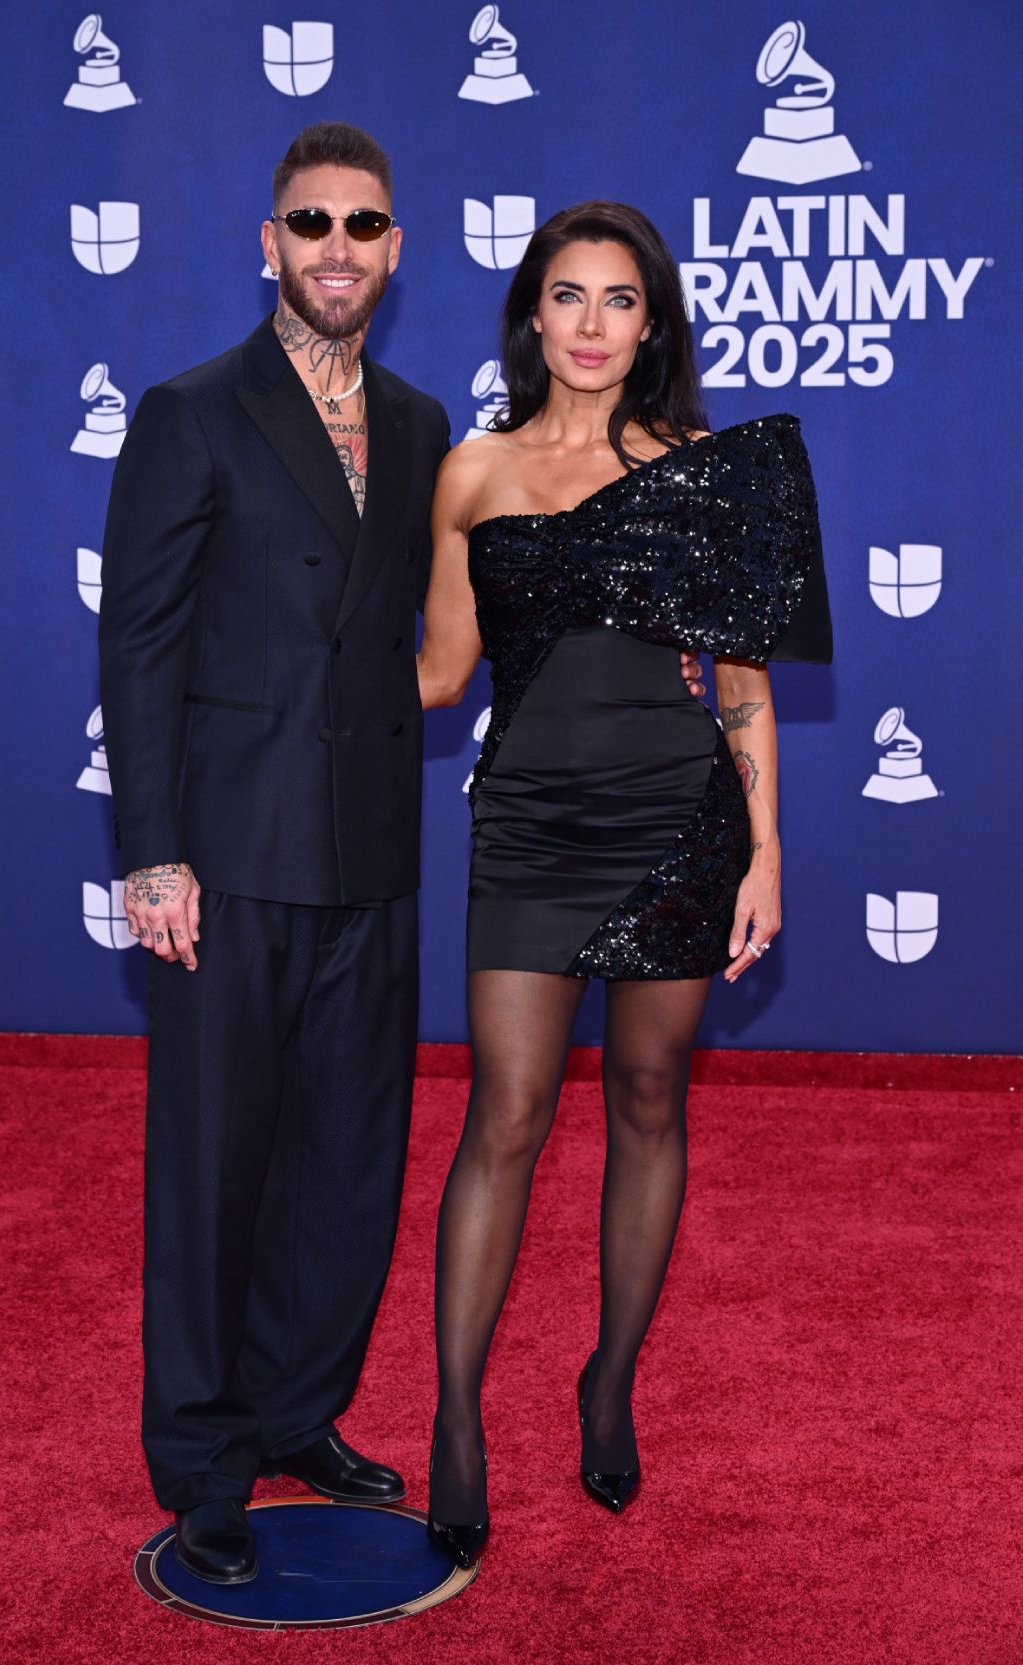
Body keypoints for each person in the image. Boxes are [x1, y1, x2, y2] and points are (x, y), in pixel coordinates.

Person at [415, 201, 832, 1564]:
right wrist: (270, 659)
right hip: (530, 823)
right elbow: (436, 672)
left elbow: (747, 689)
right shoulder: (470, 473)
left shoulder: (705, 467)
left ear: (652, 326)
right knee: (508, 1113)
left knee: (650, 1099)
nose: (592, 324)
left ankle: (608, 1378)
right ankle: (459, 1423)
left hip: (676, 819)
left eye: (620, 301)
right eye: (569, 296)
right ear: (532, 314)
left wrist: (765, 851)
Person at [97, 122, 451, 1586]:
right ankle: (203, 1454)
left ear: (395, 248)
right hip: (230, 859)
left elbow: (438, 636)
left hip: (371, 847)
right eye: (310, 222)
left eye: (362, 225)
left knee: (350, 1159)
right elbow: (141, 643)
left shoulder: (427, 426)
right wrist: (152, 853)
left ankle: (300, 1410)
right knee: (214, 1162)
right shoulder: (193, 411)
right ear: (267, 241)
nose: (335, 249)